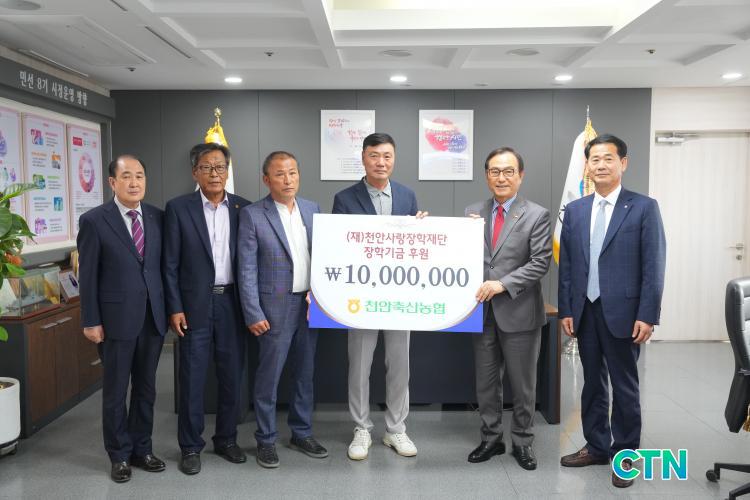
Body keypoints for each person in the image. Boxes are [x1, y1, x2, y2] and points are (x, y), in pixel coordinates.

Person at [558, 134, 666, 488]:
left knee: (624, 385)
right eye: (595, 159)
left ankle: (625, 454)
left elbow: (653, 265)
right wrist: (566, 309)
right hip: (585, 311)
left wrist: (648, 314)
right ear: (587, 166)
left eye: (608, 158)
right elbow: (568, 266)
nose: (601, 165)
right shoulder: (576, 210)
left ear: (623, 163)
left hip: (626, 313)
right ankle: (596, 446)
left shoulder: (643, 207)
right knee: (592, 383)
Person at [332, 132, 427, 460]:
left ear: (394, 158)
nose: (381, 162)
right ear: (363, 158)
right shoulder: (344, 199)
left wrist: (421, 229)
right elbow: (338, 246)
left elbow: (414, 246)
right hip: (361, 296)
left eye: (387, 156)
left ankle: (396, 429)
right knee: (359, 364)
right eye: (374, 156)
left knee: (400, 364)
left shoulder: (407, 195)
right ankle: (361, 428)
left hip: (399, 295)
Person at [77, 155, 168, 483]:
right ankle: (119, 455)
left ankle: (142, 449)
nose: (134, 182)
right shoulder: (94, 220)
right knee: (116, 391)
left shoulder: (158, 217)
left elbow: (161, 269)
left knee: (146, 388)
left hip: (152, 318)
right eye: (127, 176)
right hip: (115, 320)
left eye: (140, 176)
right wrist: (90, 320)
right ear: (112, 182)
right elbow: (87, 276)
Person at [163, 142, 251, 475]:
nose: (214, 173)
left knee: (231, 376)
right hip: (194, 306)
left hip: (232, 303)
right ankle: (190, 446)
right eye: (206, 167)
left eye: (220, 167)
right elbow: (170, 264)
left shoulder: (244, 208)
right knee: (192, 377)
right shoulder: (178, 208)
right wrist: (175, 307)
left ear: (228, 172)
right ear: (195, 173)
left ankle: (226, 439)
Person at [237, 151, 327, 468]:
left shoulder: (312, 209)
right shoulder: (253, 215)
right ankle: (266, 439)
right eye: (279, 174)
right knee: (269, 377)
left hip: (310, 305)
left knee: (304, 374)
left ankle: (301, 433)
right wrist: (253, 312)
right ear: (266, 179)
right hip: (274, 308)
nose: (288, 180)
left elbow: (325, 256)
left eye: (292, 172)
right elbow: (246, 268)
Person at [464, 147, 551, 471]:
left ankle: (523, 442)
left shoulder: (537, 214)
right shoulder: (473, 212)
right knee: (486, 383)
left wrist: (502, 284)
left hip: (520, 312)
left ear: (520, 175)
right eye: (495, 171)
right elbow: (458, 254)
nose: (501, 178)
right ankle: (491, 438)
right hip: (482, 313)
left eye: (508, 171)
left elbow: (540, 262)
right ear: (487, 175)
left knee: (523, 384)